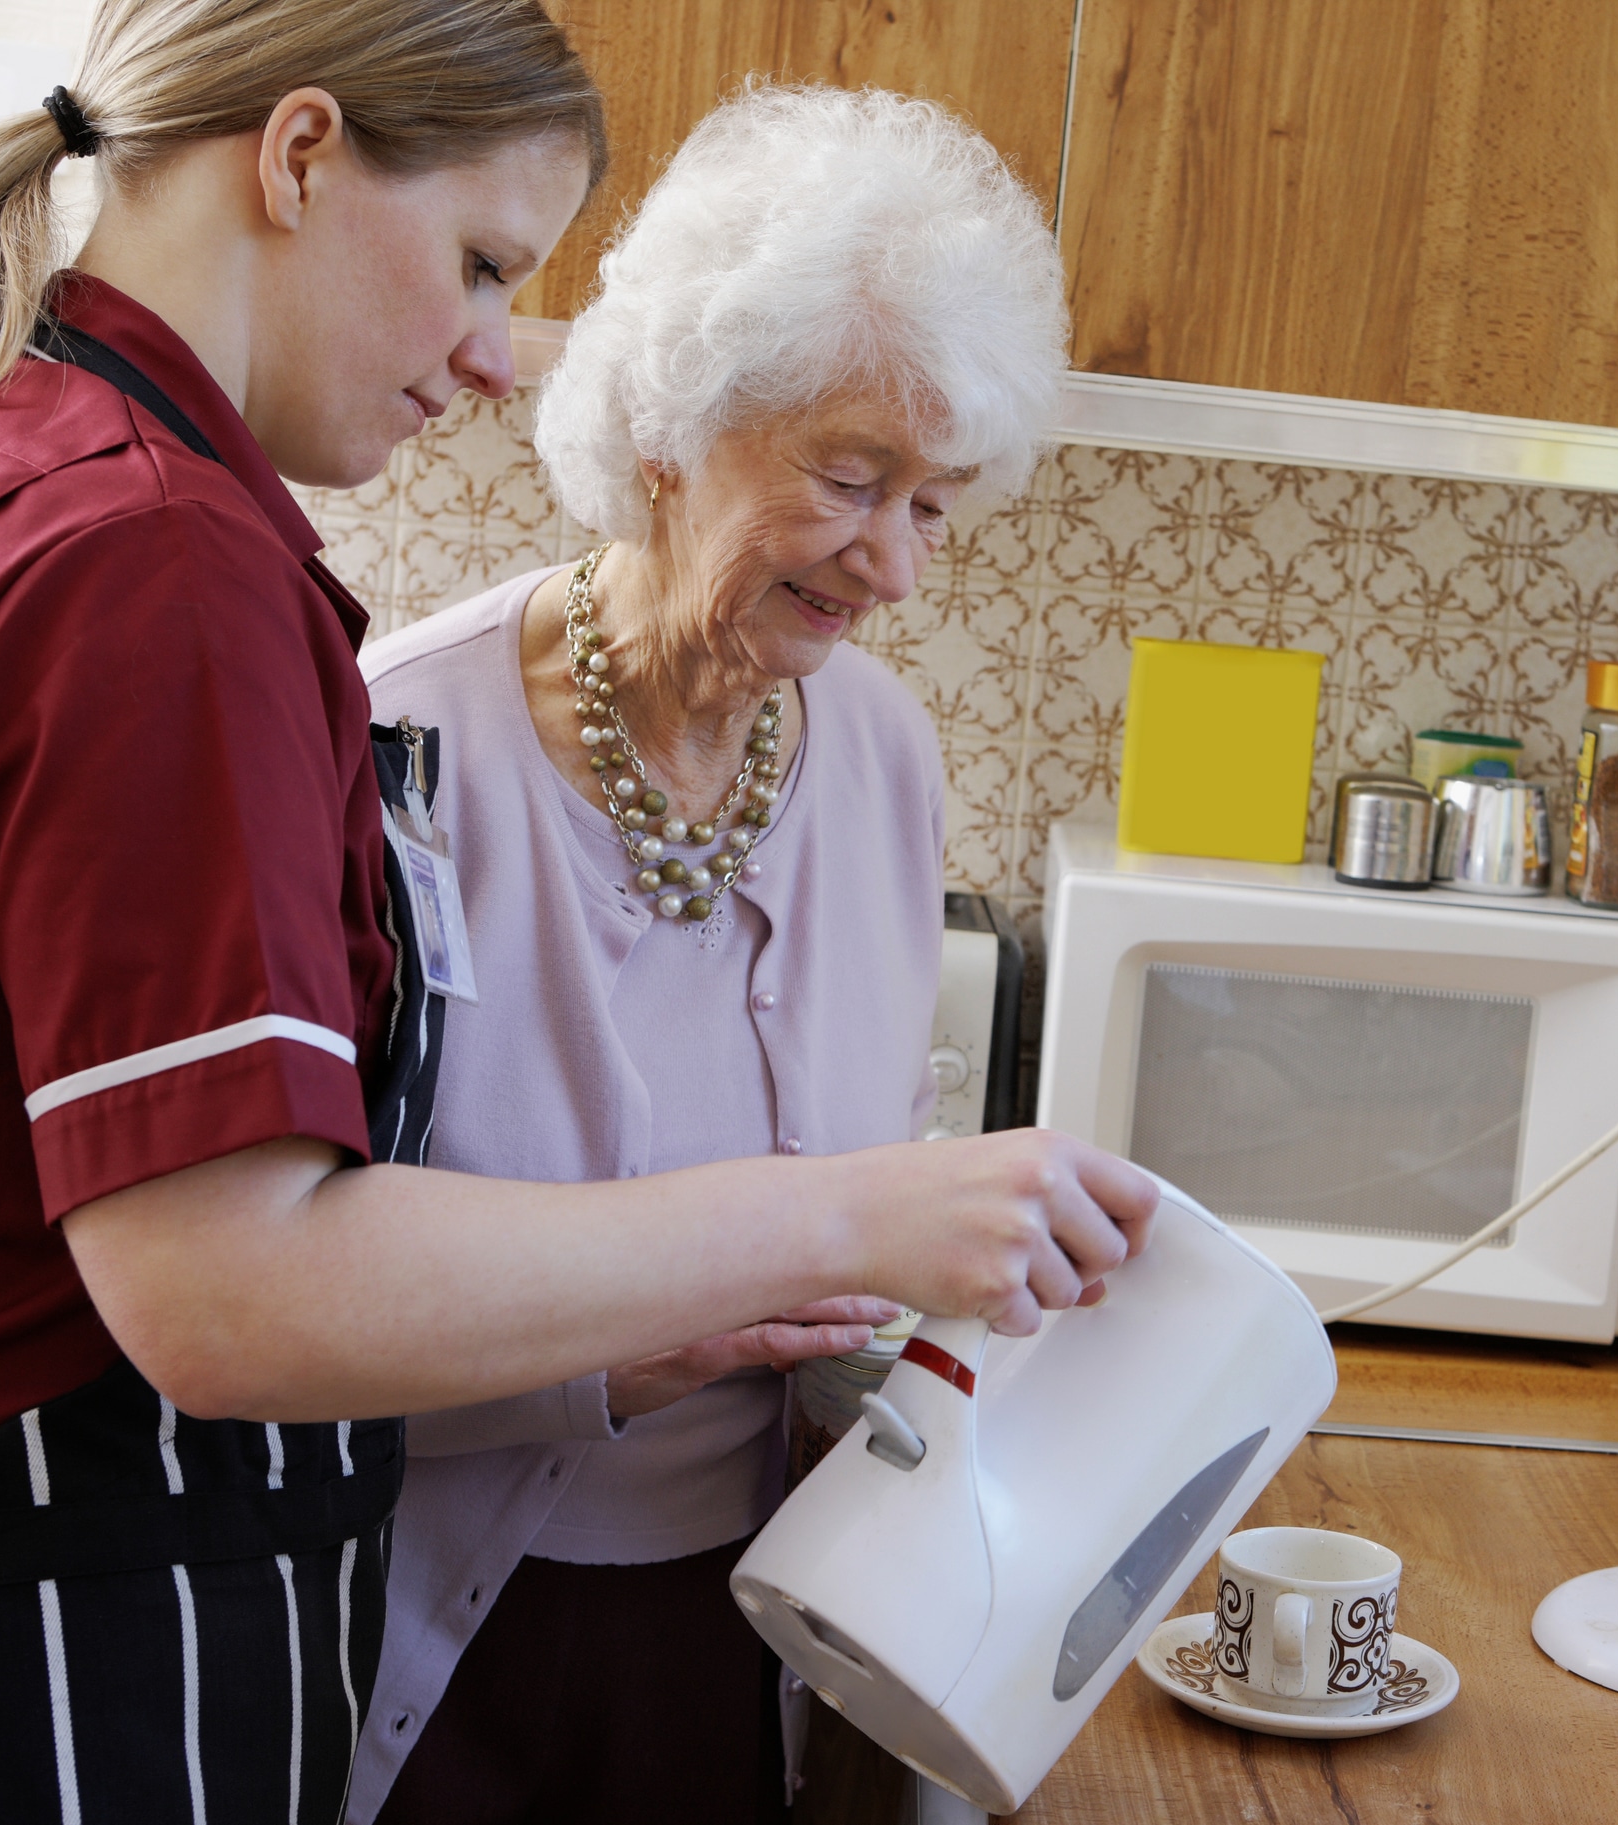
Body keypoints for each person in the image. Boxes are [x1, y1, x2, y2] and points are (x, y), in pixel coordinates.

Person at [0, 9, 1152, 1823]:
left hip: (18, 1621)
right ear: (300, 154)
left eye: (935, 503)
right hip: (13, 1646)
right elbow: (231, 1288)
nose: (497, 353)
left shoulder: (20, 463)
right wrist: (850, 1214)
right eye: (484, 262)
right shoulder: (147, 557)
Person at [343, 86, 1071, 1823]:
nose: (892, 561)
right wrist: (616, 1352)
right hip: (426, 1646)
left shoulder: (880, 755)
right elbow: (277, 1337)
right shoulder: (393, 752)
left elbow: (868, 1217)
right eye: (848, 478)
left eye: (935, 505)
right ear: (671, 425)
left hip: (749, 1630)